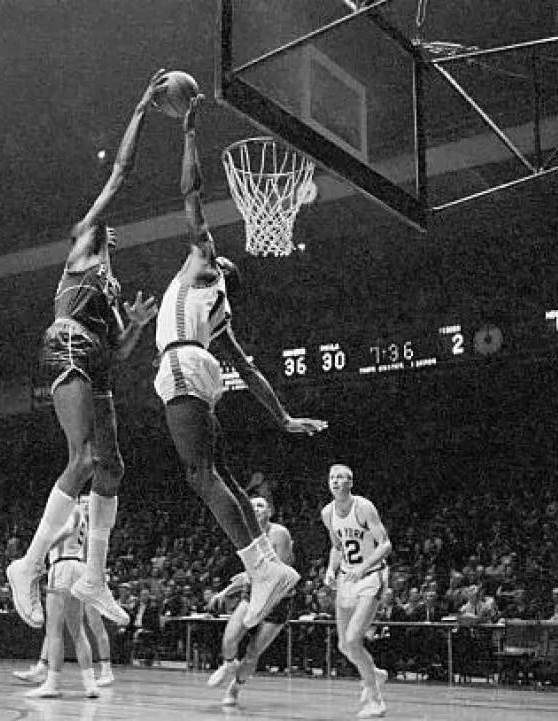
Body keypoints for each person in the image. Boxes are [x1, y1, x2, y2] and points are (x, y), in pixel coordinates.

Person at [153, 97, 327, 631]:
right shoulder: (221, 312)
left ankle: (262, 567)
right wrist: (282, 419)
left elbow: (191, 193)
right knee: (221, 472)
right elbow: (249, 373)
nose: (211, 249)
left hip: (183, 362)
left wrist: (187, 134)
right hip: (202, 369)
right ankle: (267, 565)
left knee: (199, 474)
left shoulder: (202, 269)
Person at [7, 70, 167, 630]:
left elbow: (121, 353)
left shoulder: (111, 289)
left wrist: (139, 325)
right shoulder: (81, 248)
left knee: (113, 467)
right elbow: (120, 174)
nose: (106, 232)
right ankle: (25, 566)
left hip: (97, 356)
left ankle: (95, 576)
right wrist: (142, 108)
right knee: (82, 459)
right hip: (68, 347)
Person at [206, 495, 295, 706]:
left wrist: (247, 577)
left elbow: (282, 569)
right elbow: (249, 571)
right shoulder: (245, 536)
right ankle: (228, 664)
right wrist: (226, 591)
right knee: (229, 638)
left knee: (253, 652)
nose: (256, 509)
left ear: (269, 511)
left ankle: (234, 689)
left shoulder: (279, 533)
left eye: (261, 505)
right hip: (254, 593)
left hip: (279, 598)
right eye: (252, 505)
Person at [322, 464, 393, 718]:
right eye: (332, 477)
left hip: (371, 575)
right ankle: (375, 673)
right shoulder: (327, 512)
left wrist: (363, 568)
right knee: (344, 645)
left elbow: (385, 545)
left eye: (341, 477)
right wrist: (331, 569)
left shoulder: (363, 507)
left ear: (351, 483)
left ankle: (375, 700)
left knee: (353, 640)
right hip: (347, 577)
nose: (336, 481)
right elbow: (337, 546)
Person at [24, 495, 100, 699]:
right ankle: (90, 684)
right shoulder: (86, 520)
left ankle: (52, 684)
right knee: (77, 630)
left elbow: (66, 531)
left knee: (54, 630)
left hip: (62, 566)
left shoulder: (71, 511)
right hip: (79, 568)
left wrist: (43, 548)